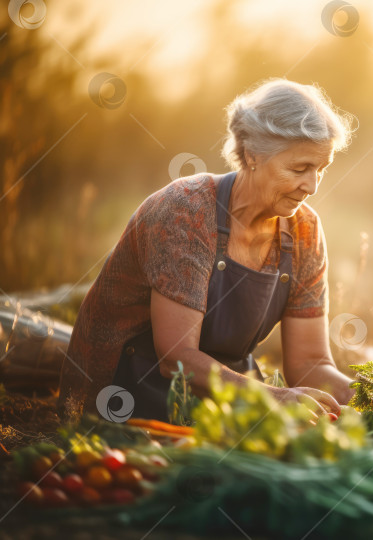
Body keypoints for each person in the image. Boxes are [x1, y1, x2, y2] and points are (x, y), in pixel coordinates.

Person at [57, 79, 355, 423]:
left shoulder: (304, 231)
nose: (312, 186)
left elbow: (310, 363)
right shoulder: (186, 210)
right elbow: (176, 358)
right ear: (253, 154)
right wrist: (275, 398)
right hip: (125, 403)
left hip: (226, 404)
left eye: (322, 169)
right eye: (300, 168)